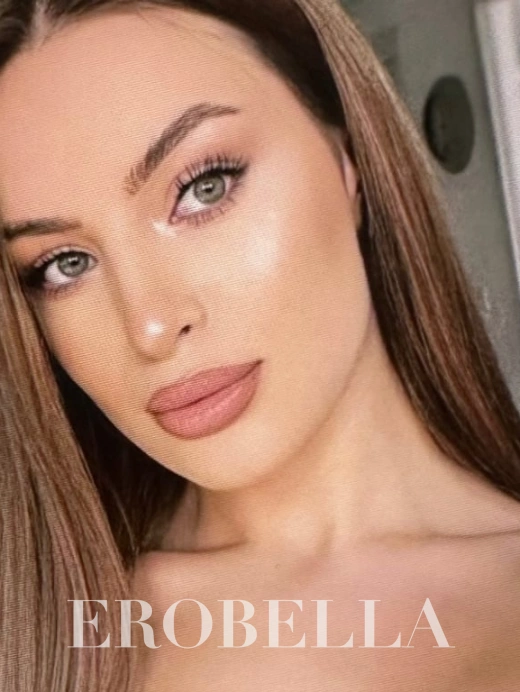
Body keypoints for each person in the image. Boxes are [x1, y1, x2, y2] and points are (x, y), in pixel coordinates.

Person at [1, 0, 520, 690]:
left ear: (347, 162)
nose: (151, 326)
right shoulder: (43, 634)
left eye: (203, 188)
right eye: (64, 264)